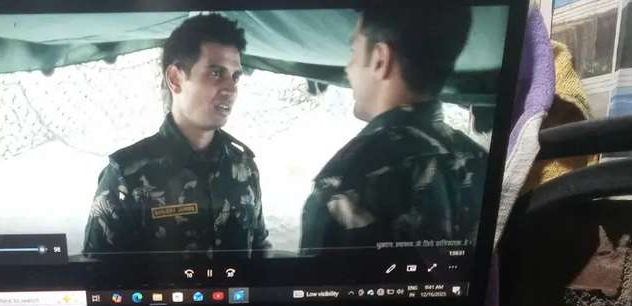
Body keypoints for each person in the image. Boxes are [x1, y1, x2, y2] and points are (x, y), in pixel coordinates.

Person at [299, 4, 487, 252]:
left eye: (354, 51)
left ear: (380, 59)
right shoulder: (482, 161)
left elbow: (317, 277)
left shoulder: (347, 177)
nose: (348, 68)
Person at [83, 14, 269, 256]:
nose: (231, 89)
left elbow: (259, 250)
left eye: (235, 77)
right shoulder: (127, 176)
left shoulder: (244, 167)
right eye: (216, 73)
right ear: (175, 79)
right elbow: (98, 271)